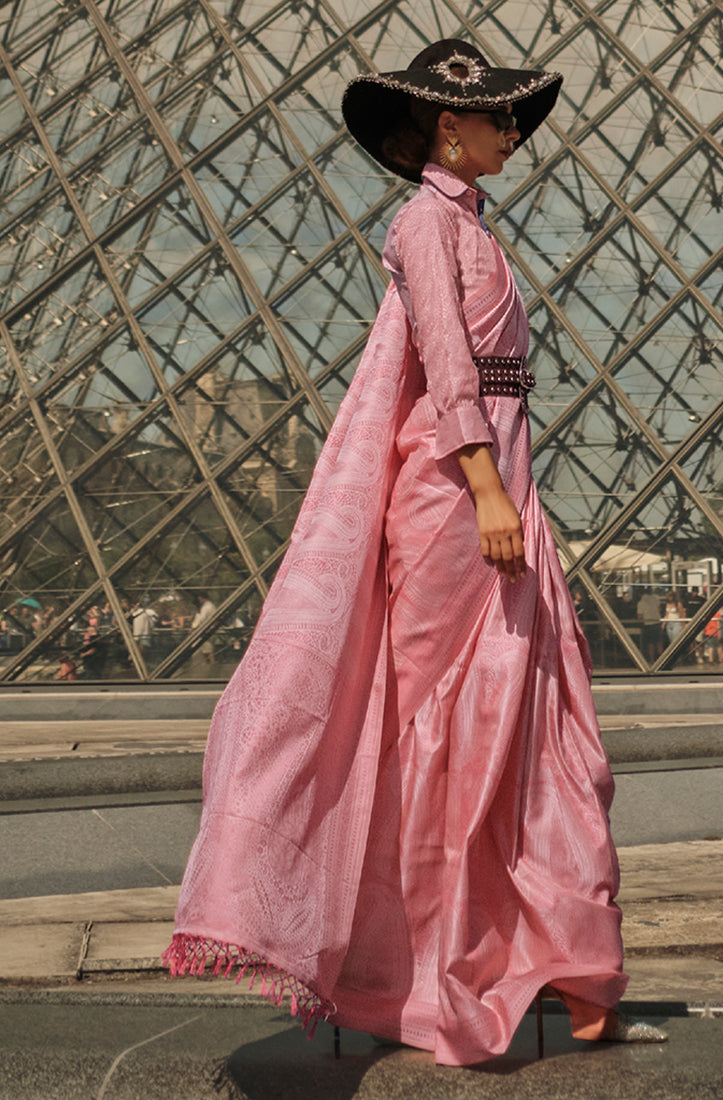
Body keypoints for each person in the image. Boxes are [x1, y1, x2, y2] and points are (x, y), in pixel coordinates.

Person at [163, 40, 666, 1065]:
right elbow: (446, 361)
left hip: (498, 489)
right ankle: (438, 977)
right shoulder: (424, 223)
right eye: (498, 117)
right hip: (454, 499)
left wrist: (510, 492)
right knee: (451, 740)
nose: (513, 131)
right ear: (448, 125)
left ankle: (572, 973)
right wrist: (486, 490)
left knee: (541, 731)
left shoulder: (471, 224)